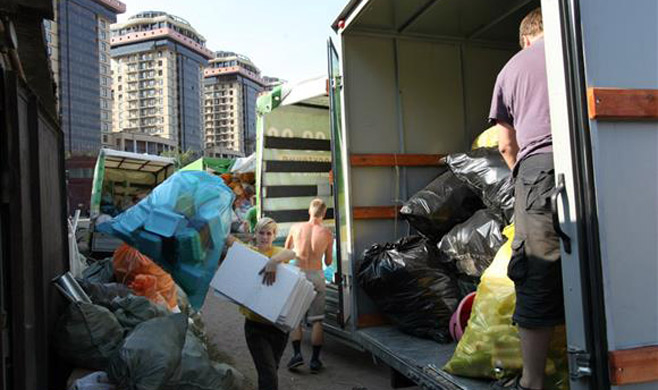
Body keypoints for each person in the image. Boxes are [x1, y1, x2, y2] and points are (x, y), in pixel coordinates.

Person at [488, 8, 564, 390]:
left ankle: (532, 381)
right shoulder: (577, 47)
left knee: (536, 270)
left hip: (538, 169)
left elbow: (505, 145)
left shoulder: (512, 69)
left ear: (526, 37)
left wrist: (523, 179)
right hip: (596, 161)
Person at [226, 217, 297, 390]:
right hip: (255, 327)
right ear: (254, 234)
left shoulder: (277, 253)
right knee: (268, 374)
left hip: (279, 327)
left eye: (269, 233)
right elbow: (229, 240)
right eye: (261, 233)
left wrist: (273, 261)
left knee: (270, 371)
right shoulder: (248, 252)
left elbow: (292, 253)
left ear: (274, 235)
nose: (265, 237)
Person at [284, 199, 333, 373]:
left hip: (298, 272)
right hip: (316, 275)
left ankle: (297, 355)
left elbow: (287, 250)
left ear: (309, 211)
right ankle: (314, 361)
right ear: (324, 214)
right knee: (317, 320)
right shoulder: (327, 233)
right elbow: (328, 261)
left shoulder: (296, 228)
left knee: (296, 317)